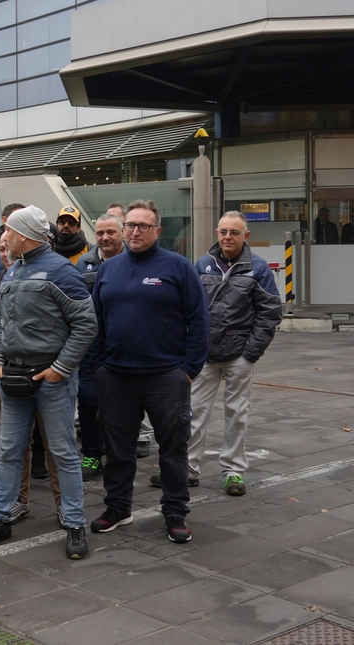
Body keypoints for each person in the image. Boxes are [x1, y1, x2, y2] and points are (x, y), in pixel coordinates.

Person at [0, 206, 97, 560]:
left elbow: (86, 325)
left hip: (51, 380)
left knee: (64, 453)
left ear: (24, 235)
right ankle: (2, 517)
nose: (3, 238)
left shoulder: (61, 271)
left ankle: (74, 522)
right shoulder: (13, 271)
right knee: (10, 451)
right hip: (14, 377)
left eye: (7, 232)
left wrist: (60, 368)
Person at [88, 200, 207, 545]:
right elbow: (96, 322)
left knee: (172, 448)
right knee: (119, 448)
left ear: (158, 231)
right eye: (131, 226)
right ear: (122, 230)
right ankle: (118, 508)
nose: (135, 231)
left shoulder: (178, 267)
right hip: (116, 377)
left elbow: (199, 320)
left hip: (165, 375)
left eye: (144, 226)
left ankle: (174, 513)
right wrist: (99, 366)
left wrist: (188, 370)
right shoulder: (109, 269)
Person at [190, 211, 281, 497]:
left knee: (237, 415)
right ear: (217, 233)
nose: (228, 237)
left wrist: (250, 352)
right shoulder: (203, 265)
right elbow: (188, 308)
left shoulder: (258, 268)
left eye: (234, 232)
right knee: (194, 412)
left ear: (246, 236)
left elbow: (270, 314)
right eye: (223, 232)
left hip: (239, 354)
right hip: (204, 355)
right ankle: (187, 468)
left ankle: (233, 471)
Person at [75, 213, 124, 481]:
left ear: (122, 234)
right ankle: (92, 455)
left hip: (122, 346)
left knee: (121, 405)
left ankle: (117, 454)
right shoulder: (85, 263)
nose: (105, 237)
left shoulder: (133, 262)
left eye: (111, 232)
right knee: (88, 400)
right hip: (90, 347)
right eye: (100, 233)